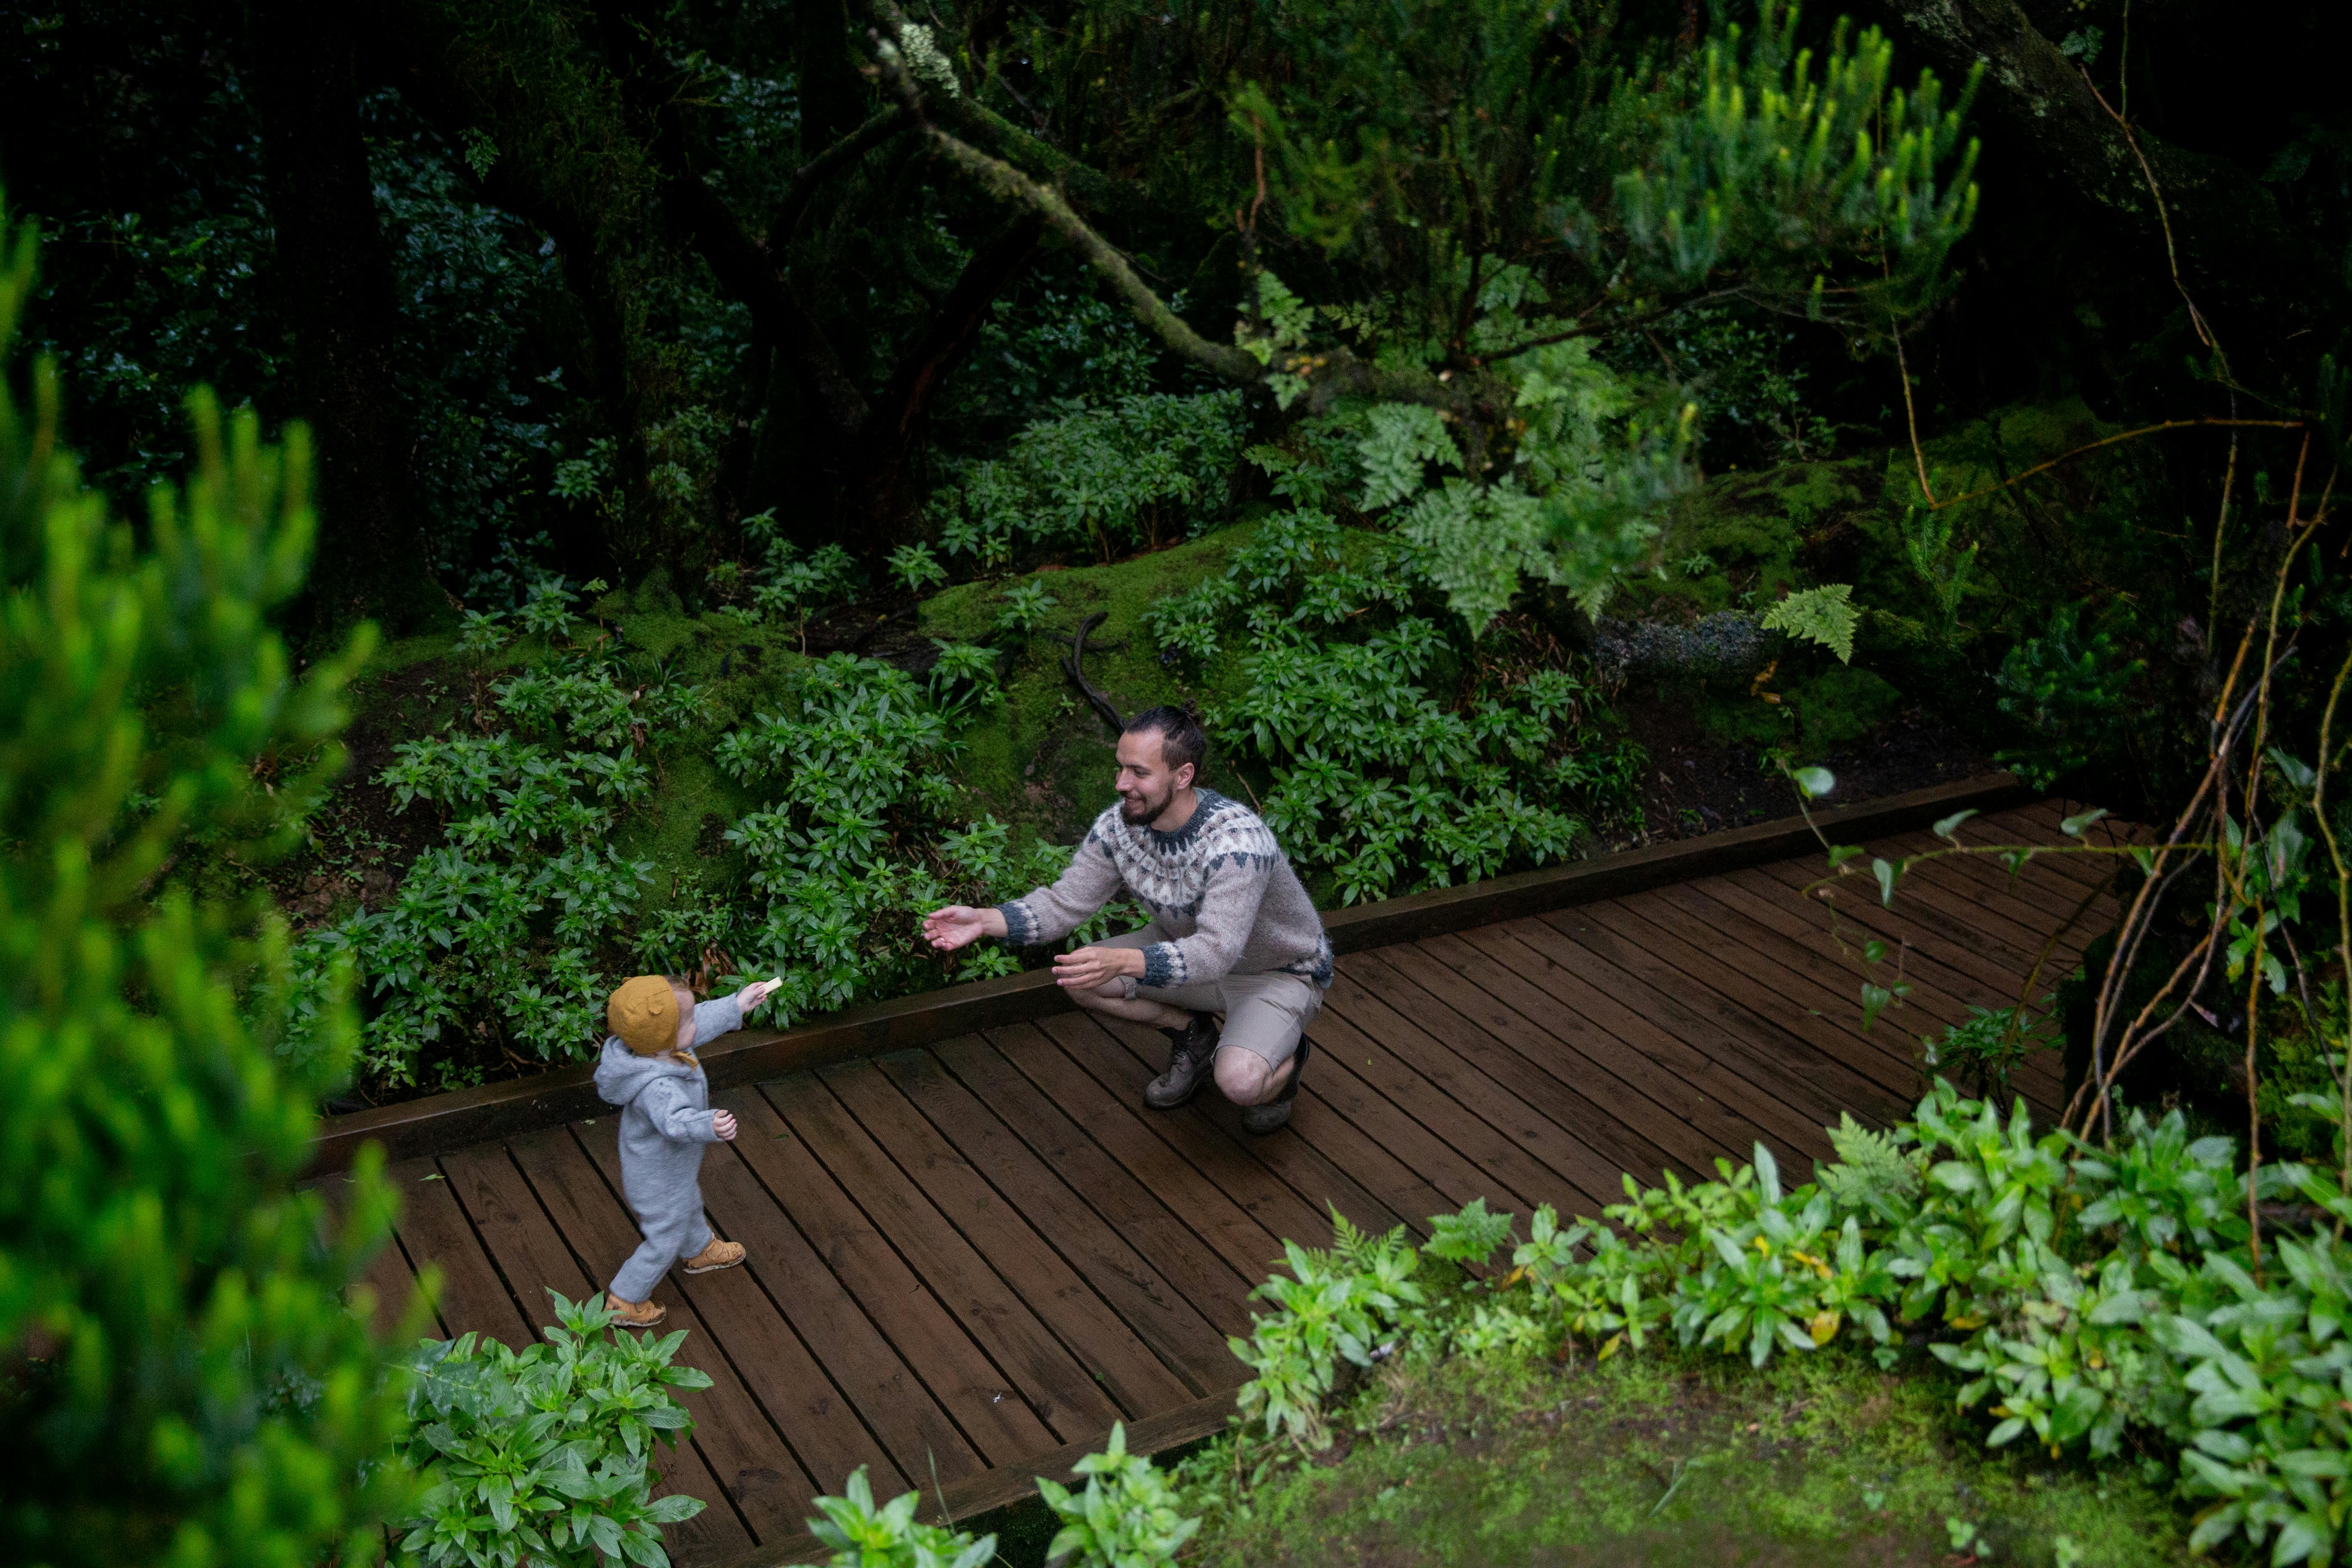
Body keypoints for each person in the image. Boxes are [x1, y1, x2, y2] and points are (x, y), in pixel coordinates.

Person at [923, 706, 1332, 1133]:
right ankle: (1193, 1035)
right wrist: (984, 921)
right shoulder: (1122, 829)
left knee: (1240, 1082)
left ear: (1183, 775)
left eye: (1138, 772)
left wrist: (1123, 962)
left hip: (1275, 973)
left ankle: (1287, 1061)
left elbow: (1217, 951)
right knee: (1083, 976)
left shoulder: (1237, 842)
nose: (1121, 784)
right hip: (1186, 952)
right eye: (1120, 769)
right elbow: (1066, 903)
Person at [595, 973, 780, 1327]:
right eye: (689, 1021)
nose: (697, 1023)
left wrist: (738, 1004)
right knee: (665, 1236)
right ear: (667, 1037)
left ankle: (699, 1251)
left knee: (689, 1203)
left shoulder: (660, 1048)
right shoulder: (657, 1086)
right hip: (655, 1177)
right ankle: (625, 1299)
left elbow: (701, 1021)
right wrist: (709, 1124)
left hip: (670, 1169)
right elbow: (676, 1123)